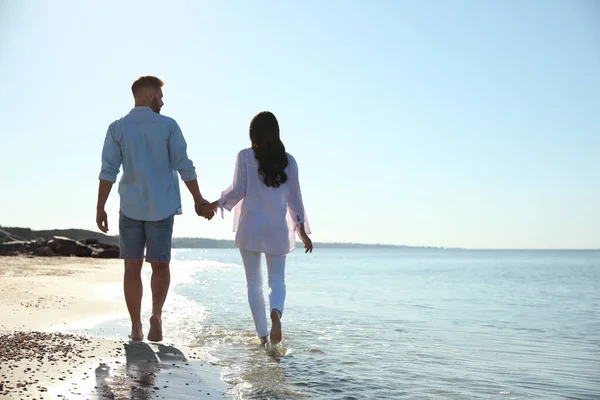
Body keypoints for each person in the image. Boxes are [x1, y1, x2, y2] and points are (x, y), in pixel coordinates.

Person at [96, 76, 214, 342]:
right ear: (150, 96)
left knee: (132, 269)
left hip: (130, 207)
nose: (162, 101)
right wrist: (198, 198)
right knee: (160, 266)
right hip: (162, 207)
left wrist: (100, 206)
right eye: (160, 95)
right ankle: (156, 316)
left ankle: (136, 326)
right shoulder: (168, 126)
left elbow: (108, 171)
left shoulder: (118, 128)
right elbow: (184, 165)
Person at [207, 111, 312, 346]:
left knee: (253, 282)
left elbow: (237, 190)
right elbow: (296, 199)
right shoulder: (289, 161)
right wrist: (301, 230)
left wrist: (216, 203)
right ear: (276, 132)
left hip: (251, 226)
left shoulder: (245, 156)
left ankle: (263, 337)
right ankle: (276, 312)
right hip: (277, 228)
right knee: (278, 280)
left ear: (252, 133)